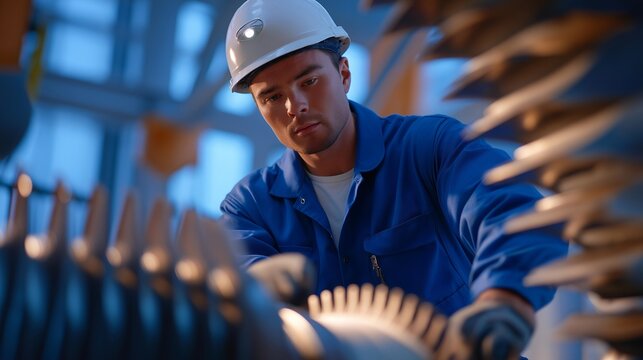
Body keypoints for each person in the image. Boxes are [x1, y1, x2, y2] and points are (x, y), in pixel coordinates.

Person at [219, 0, 567, 357]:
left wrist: (505, 298)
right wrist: (252, 292)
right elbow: (236, 282)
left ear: (344, 74)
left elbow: (515, 215)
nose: (295, 106)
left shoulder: (430, 150)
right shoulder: (251, 208)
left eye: (309, 80)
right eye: (272, 97)